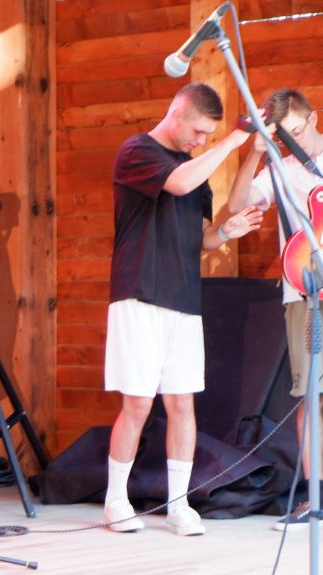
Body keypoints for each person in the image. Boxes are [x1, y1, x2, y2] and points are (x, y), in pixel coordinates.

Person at [103, 83, 263, 536]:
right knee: (138, 402)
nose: (202, 140)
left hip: (184, 299)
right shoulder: (138, 150)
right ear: (177, 114)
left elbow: (203, 237)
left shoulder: (195, 169)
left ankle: (178, 504)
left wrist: (227, 231)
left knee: (182, 401)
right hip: (139, 294)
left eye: (209, 135)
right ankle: (116, 501)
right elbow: (178, 182)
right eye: (199, 131)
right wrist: (233, 140)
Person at [226, 87, 323, 531]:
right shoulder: (279, 170)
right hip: (303, 292)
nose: (295, 142)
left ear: (314, 118)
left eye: (299, 131)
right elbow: (235, 205)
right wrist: (255, 153)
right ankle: (315, 496)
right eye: (286, 137)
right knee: (310, 395)